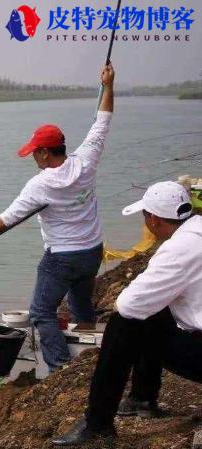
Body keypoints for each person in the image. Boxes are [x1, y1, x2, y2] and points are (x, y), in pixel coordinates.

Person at [0, 63, 115, 372]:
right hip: (91, 252)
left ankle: (61, 368)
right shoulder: (86, 160)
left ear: (46, 153)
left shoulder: (40, 185)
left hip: (61, 258)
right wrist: (109, 86)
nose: (33, 157)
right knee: (80, 304)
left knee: (41, 312)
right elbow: (103, 121)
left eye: (35, 152)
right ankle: (89, 349)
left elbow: (8, 219)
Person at [52, 181, 202, 445]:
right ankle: (142, 397)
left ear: (153, 220)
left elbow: (128, 305)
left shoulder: (178, 250)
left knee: (126, 323)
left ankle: (98, 422)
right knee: (153, 310)